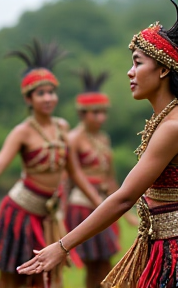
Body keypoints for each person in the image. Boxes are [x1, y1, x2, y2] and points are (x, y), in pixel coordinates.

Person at [17, 0, 178, 287]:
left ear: (163, 70)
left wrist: (62, 246)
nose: (130, 72)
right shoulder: (167, 120)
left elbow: (125, 197)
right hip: (169, 245)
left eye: (138, 63)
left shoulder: (174, 126)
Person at [0, 39, 102, 288]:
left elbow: (75, 172)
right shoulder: (23, 132)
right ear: (28, 99)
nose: (48, 98)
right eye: (41, 93)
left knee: (48, 277)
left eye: (51, 92)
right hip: (20, 212)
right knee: (12, 278)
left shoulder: (62, 127)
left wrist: (101, 205)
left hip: (48, 215)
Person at [66, 67, 138, 288]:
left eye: (103, 112)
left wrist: (127, 214)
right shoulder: (73, 138)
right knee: (93, 265)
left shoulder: (104, 138)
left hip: (104, 203)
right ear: (82, 113)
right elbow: (75, 175)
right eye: (95, 112)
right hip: (83, 205)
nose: (101, 117)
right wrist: (100, 204)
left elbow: (110, 178)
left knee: (106, 264)